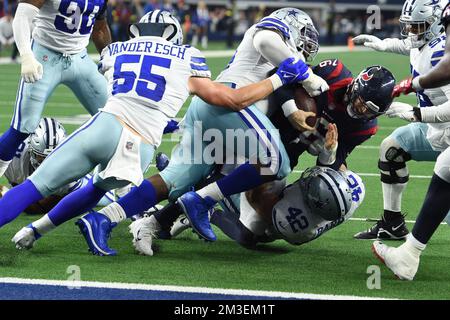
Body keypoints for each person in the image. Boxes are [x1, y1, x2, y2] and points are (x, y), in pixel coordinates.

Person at [0, 9, 309, 255]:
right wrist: (279, 78)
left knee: (34, 187)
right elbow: (223, 99)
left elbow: (118, 87)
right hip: (139, 142)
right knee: (95, 189)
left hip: (107, 124)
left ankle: (48, 227)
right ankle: (39, 230)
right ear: (175, 34)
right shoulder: (187, 56)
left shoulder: (117, 49)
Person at [78, 8, 331, 255]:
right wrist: (307, 76)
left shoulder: (280, 61)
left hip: (210, 109)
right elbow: (266, 40)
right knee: (276, 162)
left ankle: (104, 219)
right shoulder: (267, 32)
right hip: (227, 102)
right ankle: (201, 201)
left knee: (172, 180)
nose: (306, 44)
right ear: (290, 26)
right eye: (304, 34)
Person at [355, 0, 450, 280]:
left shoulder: (439, 54)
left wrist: (415, 113)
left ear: (434, 26)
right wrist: (383, 45)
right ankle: (393, 223)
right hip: (437, 132)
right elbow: (409, 45)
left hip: (443, 126)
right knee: (392, 148)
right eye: (408, 25)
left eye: (417, 26)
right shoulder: (426, 43)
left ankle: (411, 252)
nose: (411, 32)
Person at [0, 0, 112, 178]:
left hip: (80, 59)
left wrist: (109, 60)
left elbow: (100, 28)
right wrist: (27, 55)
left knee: (116, 118)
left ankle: (119, 189)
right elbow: (23, 15)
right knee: (23, 127)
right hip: (45, 55)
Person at [166, 167, 364, 250]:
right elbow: (337, 170)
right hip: (290, 212)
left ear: (314, 203)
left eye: (312, 187)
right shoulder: (354, 189)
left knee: (251, 237)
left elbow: (256, 199)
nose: (309, 180)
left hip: (279, 222)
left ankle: (206, 209)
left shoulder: (295, 222)